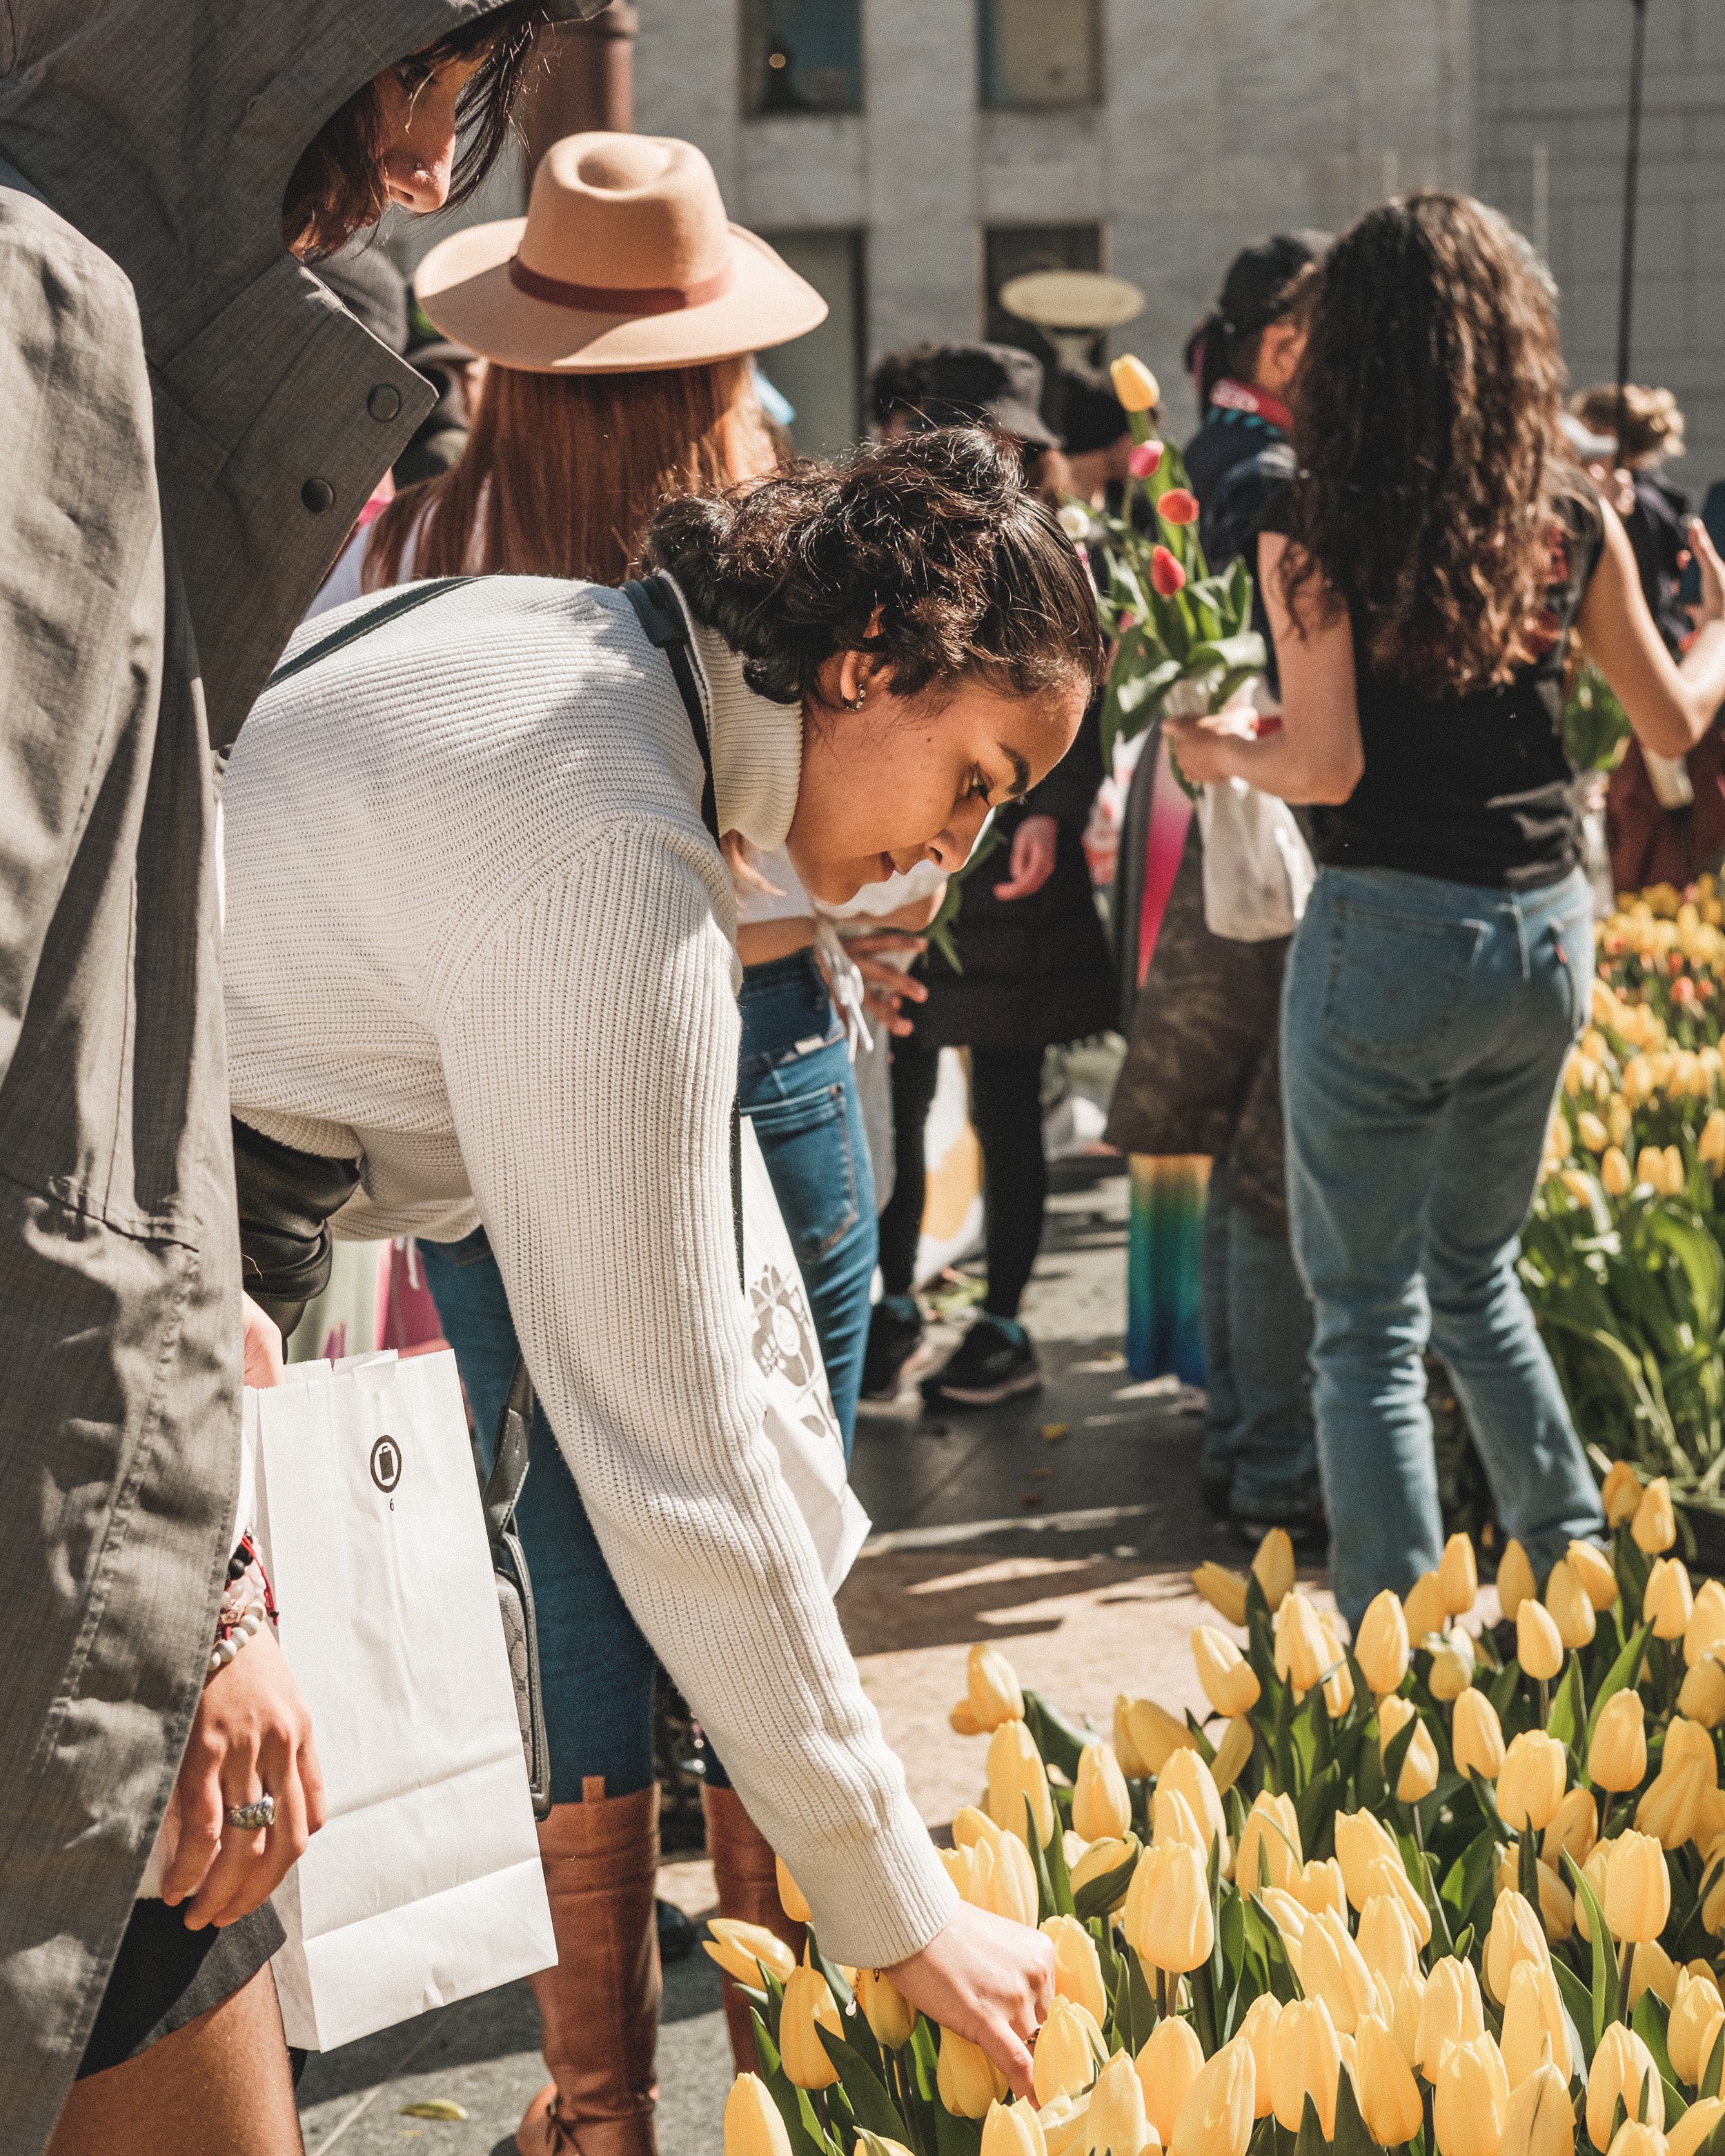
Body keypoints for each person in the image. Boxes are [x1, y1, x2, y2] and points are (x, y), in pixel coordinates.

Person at [220, 428, 1092, 2139]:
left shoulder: (569, 642)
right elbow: (675, 1467)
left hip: (165, 1201)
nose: (960, 853)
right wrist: (906, 1912)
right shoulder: (621, 865)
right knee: (174, 1935)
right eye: (974, 780)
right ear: (860, 665)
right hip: (126, 1250)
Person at [0, 6, 578, 2150]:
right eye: (446, 85)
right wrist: (204, 1556)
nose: (432, 162)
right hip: (56, 1529)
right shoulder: (41, 305)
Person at [317, 130, 865, 2150]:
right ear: (719, 358)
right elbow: (838, 891)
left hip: (480, 1116)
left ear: (521, 353)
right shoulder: (781, 563)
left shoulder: (411, 555)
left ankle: (599, 2101)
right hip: (765, 1063)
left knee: (561, 1550)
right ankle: (807, 2082)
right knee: (767, 1525)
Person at [1165, 191, 1725, 1630]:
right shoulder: (1565, 523)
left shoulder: (1310, 519)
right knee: (1473, 1279)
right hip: (1541, 929)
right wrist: (1715, 628)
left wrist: (1219, 750)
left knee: (1364, 1322)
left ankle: (1393, 1665)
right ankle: (1582, 1584)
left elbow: (1328, 762)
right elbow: (1666, 722)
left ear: (1345, 348)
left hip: (1380, 935)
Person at [1105, 232, 1329, 1540]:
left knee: (1244, 1145)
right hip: (1267, 829)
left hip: (1202, 815)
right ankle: (1268, 1458)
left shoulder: (1196, 462)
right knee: (1270, 1153)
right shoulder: (1276, 476)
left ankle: (1247, 1442)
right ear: (1286, 341)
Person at [860, 343, 1111, 1410]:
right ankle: (892, 1302)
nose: (999, 451)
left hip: (1013, 856)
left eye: (1015, 436)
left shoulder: (1066, 545)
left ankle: (1005, 1320)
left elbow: (1084, 696)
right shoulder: (899, 538)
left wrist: (1051, 809)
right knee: (899, 1083)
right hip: (908, 843)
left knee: (1010, 1098)